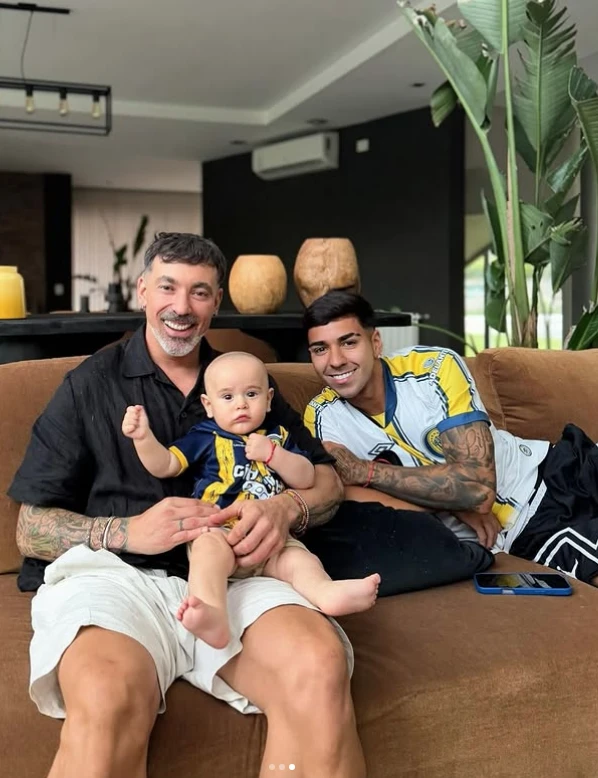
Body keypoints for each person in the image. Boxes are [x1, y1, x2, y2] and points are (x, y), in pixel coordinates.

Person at [9, 233, 362, 778]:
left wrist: (285, 509)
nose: (182, 306)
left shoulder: (246, 381)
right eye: (168, 287)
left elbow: (328, 484)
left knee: (318, 665)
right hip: (119, 578)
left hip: (240, 573)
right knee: (105, 695)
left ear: (217, 301)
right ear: (142, 290)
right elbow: (30, 528)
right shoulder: (88, 385)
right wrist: (126, 531)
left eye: (199, 292)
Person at [302, 289, 598, 586]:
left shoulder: (433, 369)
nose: (335, 360)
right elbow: (342, 494)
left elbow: (477, 489)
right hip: (526, 528)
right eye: (320, 349)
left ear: (375, 342)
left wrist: (365, 471)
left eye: (349, 342)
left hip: (552, 474)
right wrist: (452, 505)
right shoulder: (321, 418)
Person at [122, 350, 380, 648]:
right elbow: (165, 465)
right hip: (220, 531)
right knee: (207, 553)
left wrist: (273, 455)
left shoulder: (278, 436)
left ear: (269, 399)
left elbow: (307, 477)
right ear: (208, 405)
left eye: (252, 394)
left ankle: (325, 593)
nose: (241, 404)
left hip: (272, 539)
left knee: (299, 561)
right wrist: (143, 438)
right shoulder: (204, 436)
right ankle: (212, 614)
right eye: (227, 397)